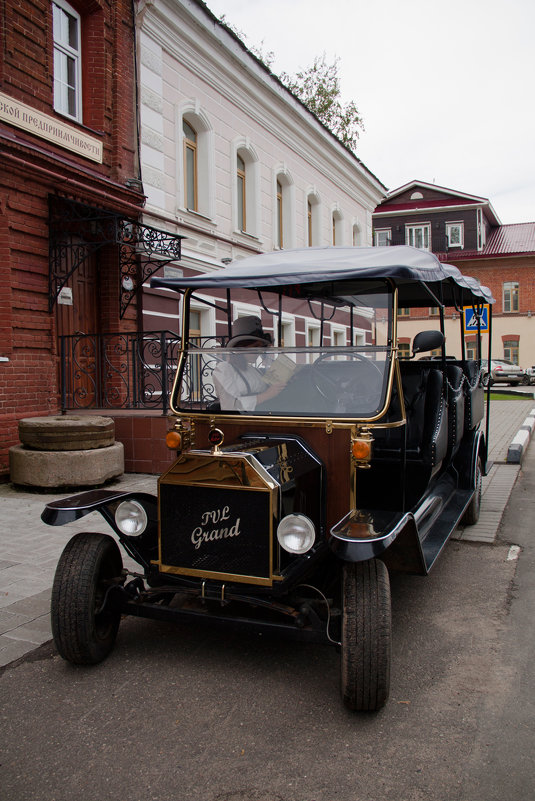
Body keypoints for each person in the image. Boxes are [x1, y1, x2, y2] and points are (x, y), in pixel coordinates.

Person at [213, 316, 285, 411]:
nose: (259, 351)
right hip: (242, 423)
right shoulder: (224, 369)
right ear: (241, 346)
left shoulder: (254, 370)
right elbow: (231, 407)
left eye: (261, 347)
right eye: (255, 347)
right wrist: (267, 394)